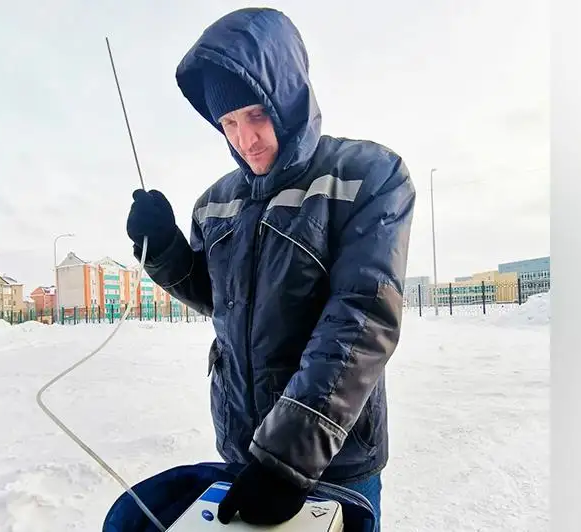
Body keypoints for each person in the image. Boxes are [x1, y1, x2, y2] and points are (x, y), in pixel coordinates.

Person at [126, 7, 415, 529]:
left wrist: (289, 455)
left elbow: (362, 316)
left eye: (256, 115)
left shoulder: (367, 176)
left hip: (333, 456)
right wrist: (165, 248)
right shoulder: (215, 203)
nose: (245, 139)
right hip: (244, 448)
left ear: (289, 97)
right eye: (229, 123)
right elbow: (218, 295)